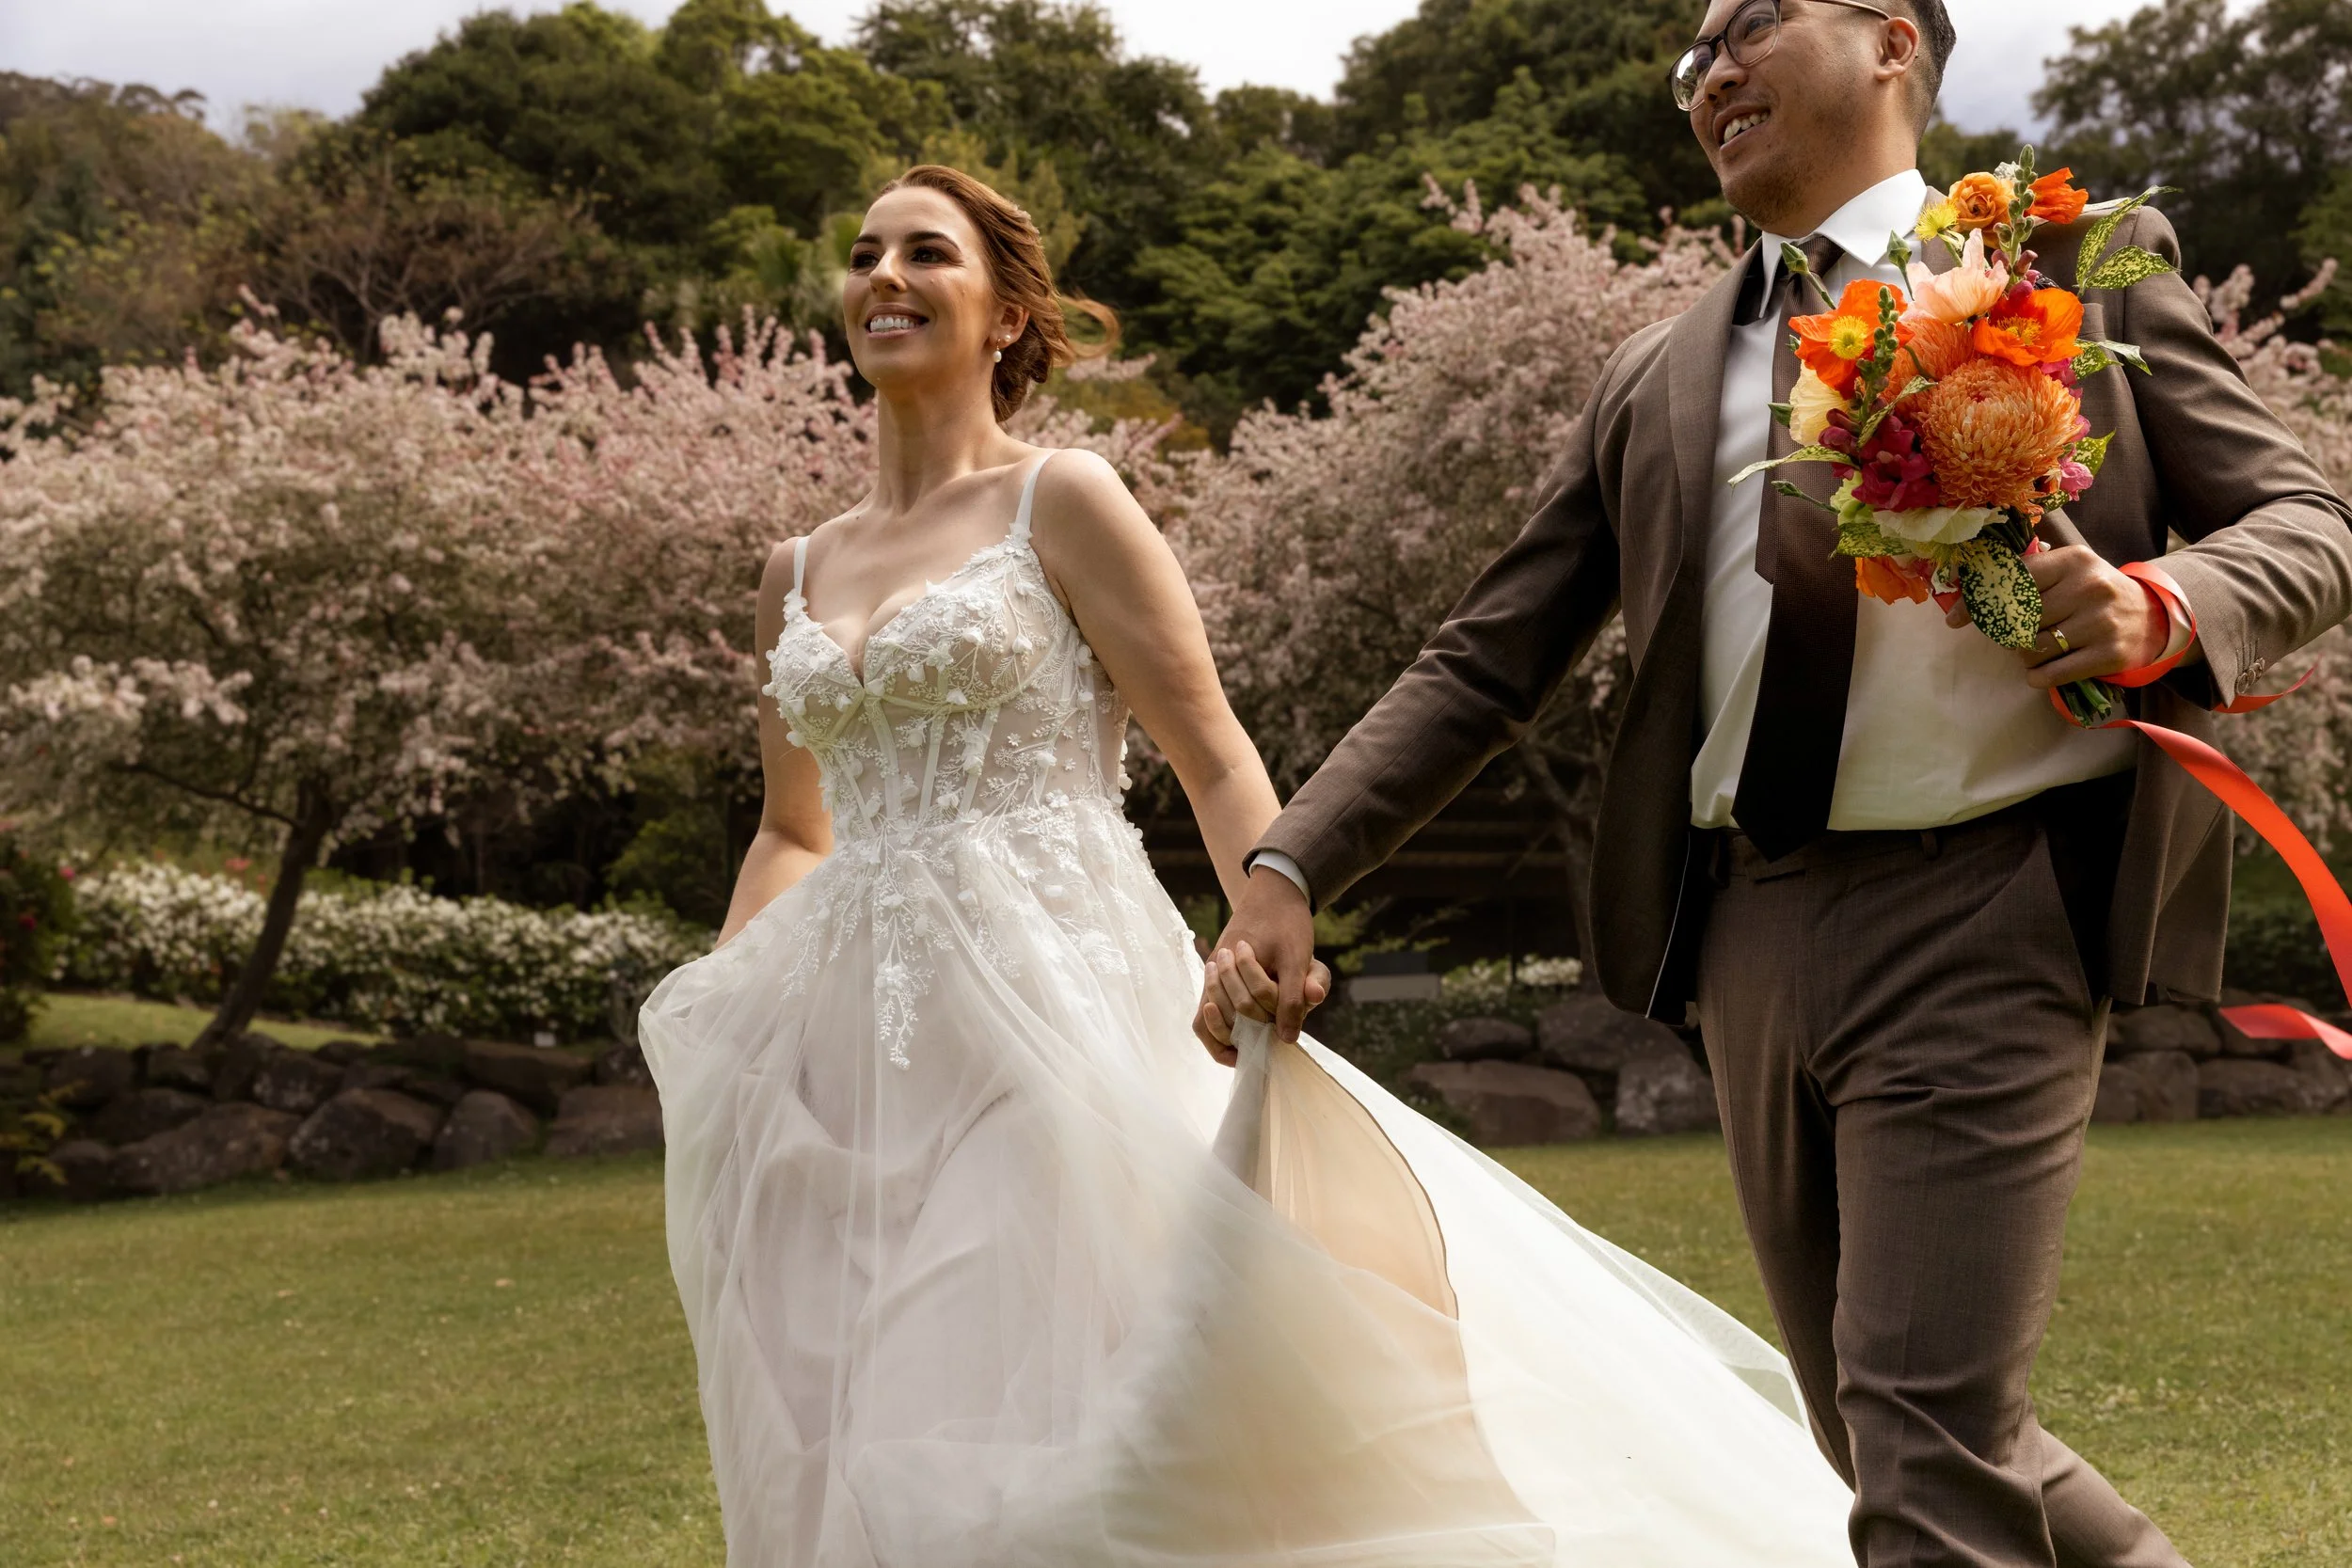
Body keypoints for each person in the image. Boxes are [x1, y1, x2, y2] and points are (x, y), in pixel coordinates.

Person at [1204, 2, 2352, 1565]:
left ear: (1890, 39)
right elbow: (1487, 657)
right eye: (1692, 61)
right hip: (1745, 932)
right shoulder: (1653, 376)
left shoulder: (2084, 264)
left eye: (1748, 24)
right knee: (1880, 1419)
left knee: (1922, 1443)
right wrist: (1290, 860)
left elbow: (2310, 519)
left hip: (1992, 908)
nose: (1710, 74)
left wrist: (2165, 603)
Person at [640, 163, 1861, 1565]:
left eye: (929, 253)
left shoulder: (1064, 501)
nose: (885, 278)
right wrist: (728, 1020)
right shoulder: (792, 569)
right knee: (849, 1400)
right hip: (848, 1045)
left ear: (1005, 316)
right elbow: (796, 828)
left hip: (1054, 1001)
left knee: (1045, 1395)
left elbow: (1211, 747)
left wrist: (1267, 911)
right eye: (863, 254)